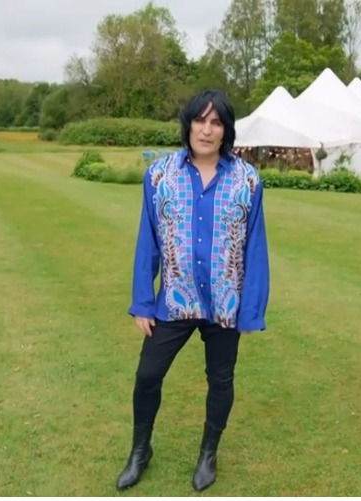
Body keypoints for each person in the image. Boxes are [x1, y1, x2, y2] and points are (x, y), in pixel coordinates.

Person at [116, 89, 270, 492]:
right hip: (174, 299)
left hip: (226, 304)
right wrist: (142, 302)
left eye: (216, 122)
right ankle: (139, 451)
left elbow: (255, 246)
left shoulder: (247, 180)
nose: (207, 129)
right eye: (200, 120)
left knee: (221, 380)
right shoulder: (160, 175)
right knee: (147, 375)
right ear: (188, 125)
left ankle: (208, 454)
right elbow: (147, 240)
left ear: (226, 130)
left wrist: (250, 310)